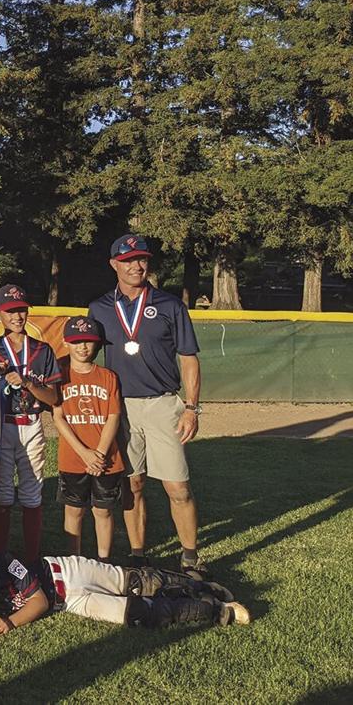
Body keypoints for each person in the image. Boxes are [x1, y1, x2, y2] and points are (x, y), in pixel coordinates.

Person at [87, 234, 204, 571]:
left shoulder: (169, 305)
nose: (136, 266)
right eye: (128, 260)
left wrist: (192, 408)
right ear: (114, 264)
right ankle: (138, 556)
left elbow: (189, 359)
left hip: (163, 404)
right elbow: (84, 353)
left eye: (142, 260)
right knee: (132, 484)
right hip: (120, 408)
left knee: (177, 486)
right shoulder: (99, 308)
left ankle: (191, 558)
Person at [0, 525, 248, 631]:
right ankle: (218, 611)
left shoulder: (7, 562)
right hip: (72, 601)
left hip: (67, 572)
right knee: (136, 613)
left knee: (137, 581)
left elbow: (39, 601)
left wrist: (10, 622)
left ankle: (203, 586)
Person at [0, 284, 62, 563]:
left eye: (21, 310)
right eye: (10, 311)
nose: (17, 316)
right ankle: (1, 556)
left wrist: (27, 381)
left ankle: (31, 558)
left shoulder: (42, 350)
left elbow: (53, 397)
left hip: (32, 423)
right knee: (2, 494)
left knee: (31, 493)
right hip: (1, 425)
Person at [52, 316, 124, 559]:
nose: (82, 347)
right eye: (77, 341)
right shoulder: (59, 373)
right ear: (65, 343)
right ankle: (75, 561)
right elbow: (58, 417)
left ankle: (104, 560)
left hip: (106, 459)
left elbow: (114, 416)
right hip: (73, 457)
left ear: (97, 344)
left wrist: (100, 454)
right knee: (74, 511)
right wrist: (84, 453)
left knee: (102, 511)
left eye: (88, 342)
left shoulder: (108, 376)